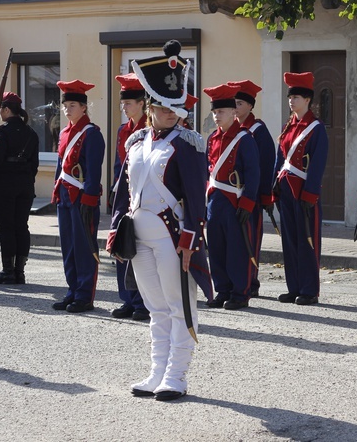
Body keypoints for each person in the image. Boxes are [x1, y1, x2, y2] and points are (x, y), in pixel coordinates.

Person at [108, 39, 212, 400]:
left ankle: (177, 374)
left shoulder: (189, 143)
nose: (173, 113)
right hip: (138, 233)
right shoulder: (136, 142)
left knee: (180, 304)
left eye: (176, 108)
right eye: (165, 108)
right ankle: (157, 370)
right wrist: (115, 227)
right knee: (155, 307)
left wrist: (190, 242)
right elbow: (124, 189)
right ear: (151, 107)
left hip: (171, 236)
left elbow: (197, 200)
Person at [274, 72, 328, 306]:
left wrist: (310, 194)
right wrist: (273, 187)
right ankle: (293, 287)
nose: (291, 101)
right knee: (289, 240)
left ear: (307, 100)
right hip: (285, 189)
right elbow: (280, 158)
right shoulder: (289, 126)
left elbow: (317, 164)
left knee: (307, 241)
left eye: (296, 97)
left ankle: (309, 290)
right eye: (290, 97)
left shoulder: (316, 128)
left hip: (303, 191)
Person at [204, 83, 260, 310]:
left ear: (233, 113)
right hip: (215, 200)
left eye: (222, 112)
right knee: (216, 248)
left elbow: (253, 173)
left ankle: (240, 292)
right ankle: (222, 290)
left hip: (235, 201)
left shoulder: (244, 138)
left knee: (237, 249)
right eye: (215, 112)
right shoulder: (212, 139)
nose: (217, 116)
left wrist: (247, 203)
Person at [51, 80, 105, 313]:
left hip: (82, 197)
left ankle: (84, 295)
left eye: (73, 105)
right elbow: (60, 165)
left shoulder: (91, 134)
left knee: (84, 248)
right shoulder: (64, 133)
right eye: (65, 106)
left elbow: (94, 171)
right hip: (64, 195)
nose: (68, 109)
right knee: (68, 247)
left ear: (84, 107)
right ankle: (72, 290)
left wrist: (89, 200)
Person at [0, 92, 39, 285]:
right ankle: (19, 271)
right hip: (24, 184)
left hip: (5, 184)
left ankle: (8, 270)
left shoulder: (2, 132)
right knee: (21, 227)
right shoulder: (31, 132)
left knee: (6, 228)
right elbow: (34, 165)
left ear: (7, 110)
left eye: (0, 109)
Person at [228, 80, 276, 297]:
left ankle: (251, 281)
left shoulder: (258, 131)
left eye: (239, 103)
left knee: (251, 239)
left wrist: (266, 196)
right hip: (232, 195)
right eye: (234, 104)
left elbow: (265, 166)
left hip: (252, 195)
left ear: (249, 106)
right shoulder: (232, 129)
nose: (235, 108)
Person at [110, 73, 149, 321]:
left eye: (128, 103)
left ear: (141, 103)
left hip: (142, 196)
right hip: (124, 195)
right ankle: (127, 298)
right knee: (121, 243)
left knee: (142, 250)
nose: (124, 108)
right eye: (122, 104)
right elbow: (118, 166)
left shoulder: (149, 129)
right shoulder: (124, 130)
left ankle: (143, 302)